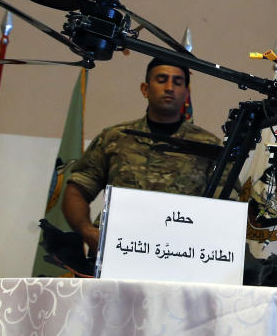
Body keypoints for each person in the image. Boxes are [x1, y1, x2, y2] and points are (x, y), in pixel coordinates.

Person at [62, 58, 224, 252]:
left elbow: (227, 208)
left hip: (180, 254)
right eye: (162, 80)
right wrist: (88, 232)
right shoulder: (115, 137)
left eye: (178, 82)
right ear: (145, 89)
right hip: (116, 250)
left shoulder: (208, 146)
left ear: (187, 93)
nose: (170, 88)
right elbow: (77, 190)